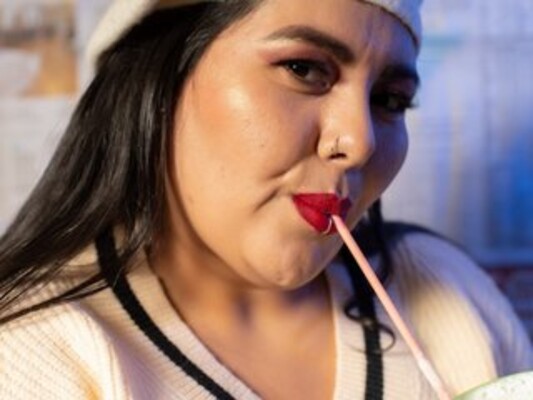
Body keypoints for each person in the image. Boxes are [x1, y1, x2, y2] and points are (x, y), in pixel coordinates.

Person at [0, 0, 531, 399]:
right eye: (304, 69)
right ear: (158, 78)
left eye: (389, 100)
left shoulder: (449, 290)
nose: (359, 141)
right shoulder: (30, 353)